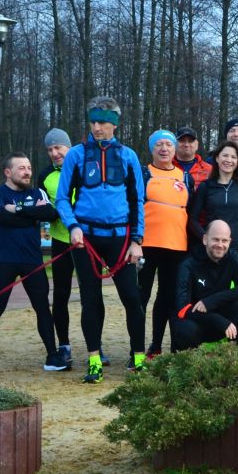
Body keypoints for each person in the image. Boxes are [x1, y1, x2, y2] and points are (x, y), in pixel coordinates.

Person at [54, 96, 146, 383]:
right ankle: (94, 359)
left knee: (131, 296)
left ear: (115, 124)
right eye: (93, 122)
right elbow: (62, 198)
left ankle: (138, 356)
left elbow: (138, 200)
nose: (97, 128)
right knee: (90, 300)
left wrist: (137, 240)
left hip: (121, 239)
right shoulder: (76, 155)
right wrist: (72, 226)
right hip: (87, 239)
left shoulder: (128, 156)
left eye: (103, 122)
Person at [0, 152, 62, 375]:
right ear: (8, 172)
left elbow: (50, 213)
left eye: (29, 168)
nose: (27, 172)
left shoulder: (37, 193)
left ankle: (52, 355)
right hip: (5, 262)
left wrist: (17, 209)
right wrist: (32, 215)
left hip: (33, 262)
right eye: (21, 168)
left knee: (42, 308)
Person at [139, 130, 192, 358]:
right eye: (158, 144)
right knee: (141, 297)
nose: (164, 149)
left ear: (174, 149)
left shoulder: (184, 176)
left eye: (168, 144)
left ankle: (160, 345)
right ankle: (136, 348)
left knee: (168, 298)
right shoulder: (143, 173)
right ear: (152, 149)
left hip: (176, 245)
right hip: (147, 244)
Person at [172, 220, 238, 351]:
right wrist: (218, 320)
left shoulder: (233, 257)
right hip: (197, 321)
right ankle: (191, 358)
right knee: (186, 329)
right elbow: (182, 309)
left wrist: (210, 301)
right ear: (205, 239)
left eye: (224, 241)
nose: (220, 245)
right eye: (215, 239)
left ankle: (237, 353)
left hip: (220, 319)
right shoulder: (188, 264)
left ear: (230, 242)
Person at [37, 127, 75, 368]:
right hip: (61, 241)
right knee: (61, 294)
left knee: (92, 295)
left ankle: (97, 346)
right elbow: (43, 208)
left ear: (68, 147)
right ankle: (64, 344)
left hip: (87, 240)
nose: (54, 153)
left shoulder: (83, 167)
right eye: (50, 149)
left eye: (58, 147)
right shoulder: (45, 175)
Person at [188, 141, 238, 259]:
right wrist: (205, 238)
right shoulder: (206, 186)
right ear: (217, 158)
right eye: (225, 155)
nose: (229, 160)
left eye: (233, 157)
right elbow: (193, 219)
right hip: (213, 248)